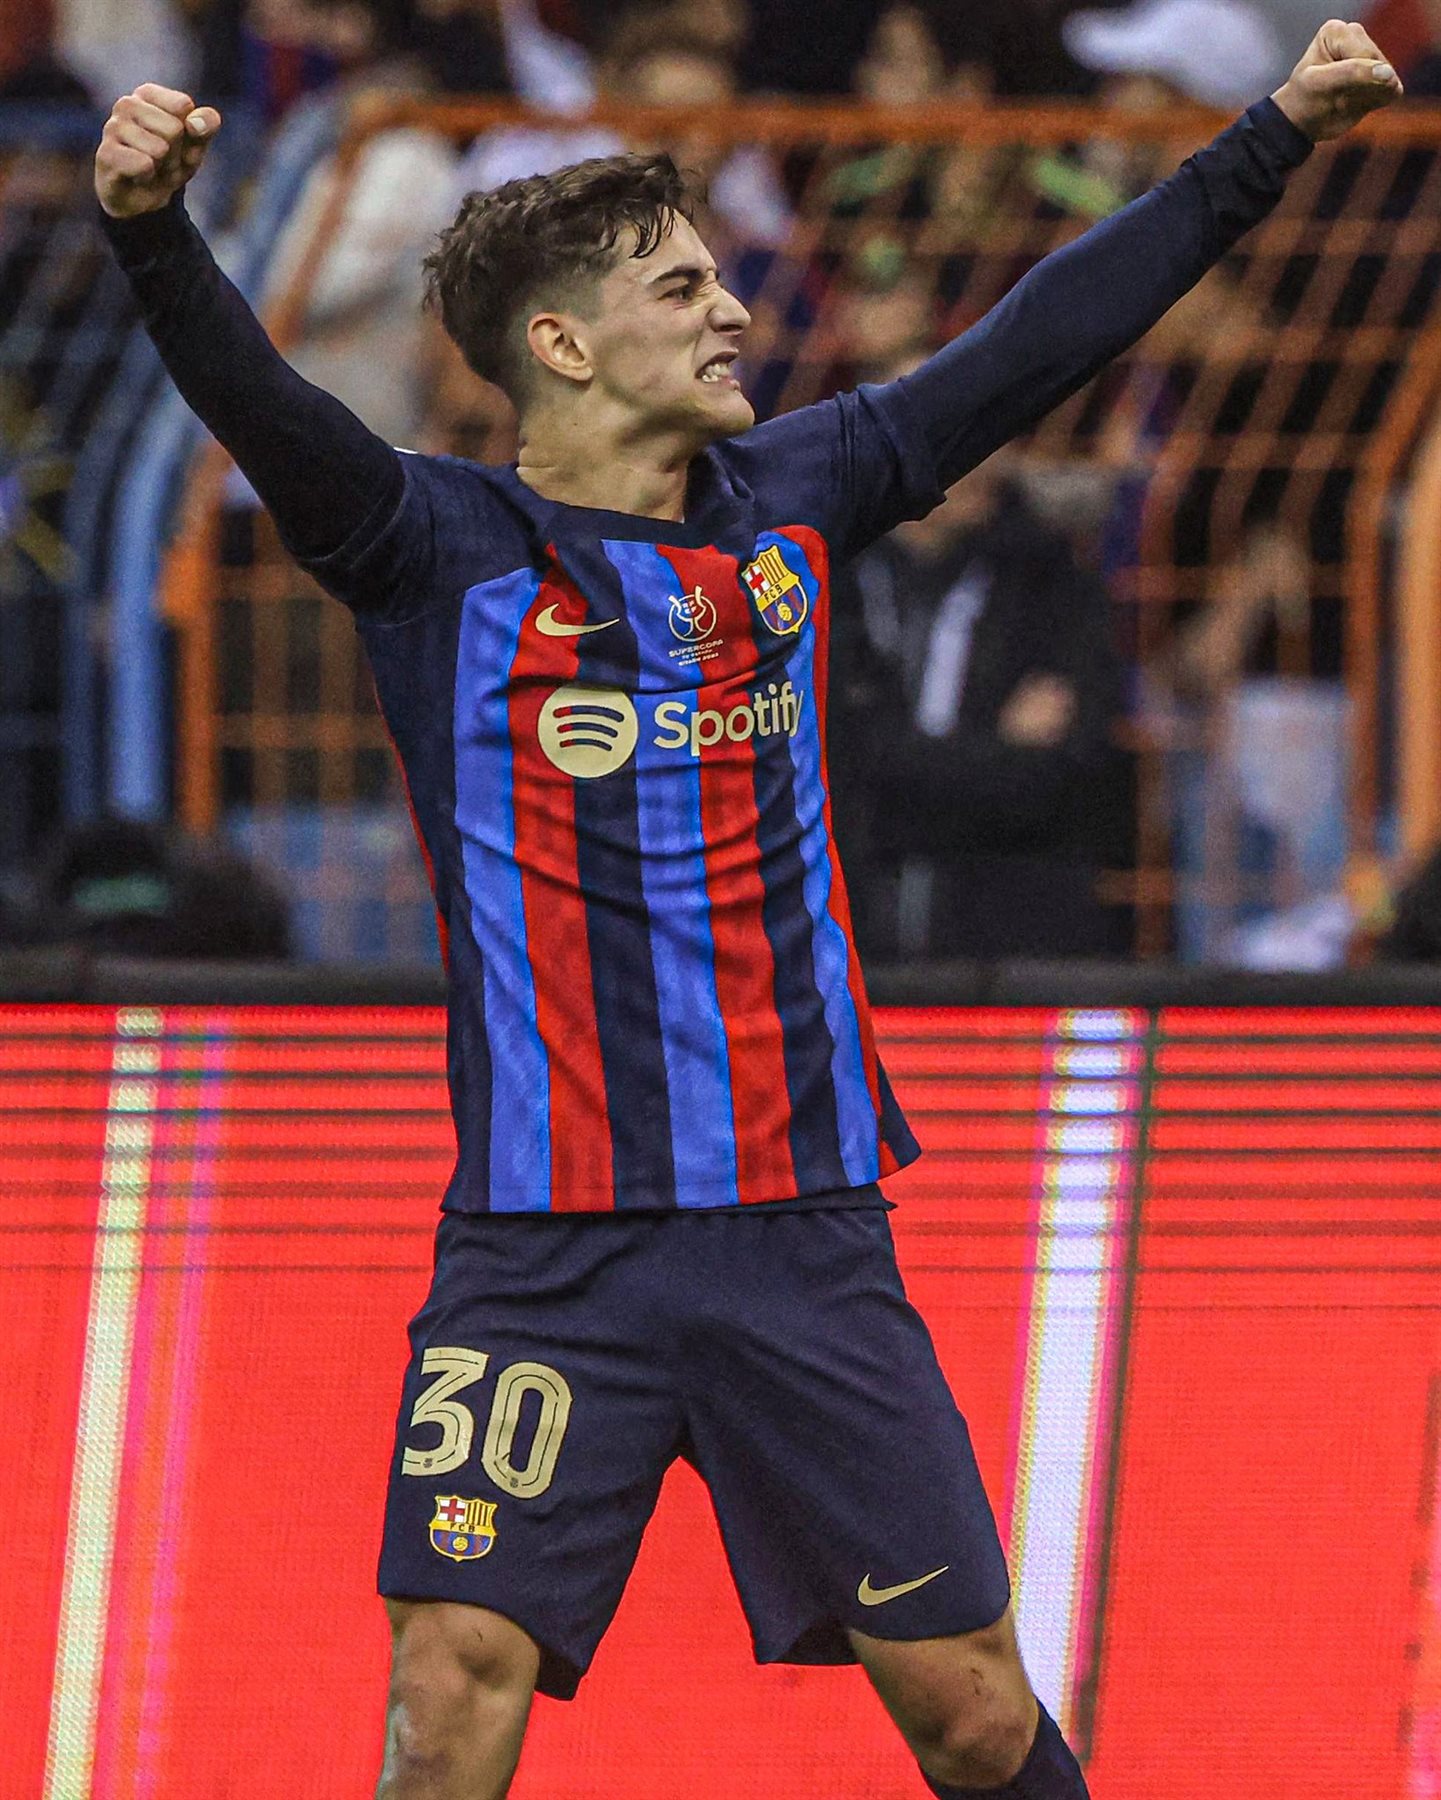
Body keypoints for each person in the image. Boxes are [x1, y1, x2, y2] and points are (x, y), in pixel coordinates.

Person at [93, 30, 1397, 1796]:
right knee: (451, 1681)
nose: (735, 313)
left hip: (800, 1236)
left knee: (971, 1713)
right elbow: (257, 400)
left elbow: (1047, 336)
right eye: (683, 288)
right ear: (562, 345)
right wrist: (153, 232)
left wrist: (1275, 133)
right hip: (541, 1255)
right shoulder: (430, 549)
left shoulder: (798, 493)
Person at [833, 453, 1123, 961]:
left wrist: (891, 779)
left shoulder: (1051, 587)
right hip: (846, 949)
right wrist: (994, 749)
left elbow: (1061, 777)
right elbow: (840, 765)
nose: (991, 459)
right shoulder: (822, 581)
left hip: (1007, 950)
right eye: (952, 436)